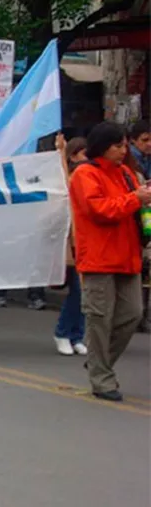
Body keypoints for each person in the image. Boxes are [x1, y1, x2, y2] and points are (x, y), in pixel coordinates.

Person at [68, 121, 149, 401]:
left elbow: (132, 205)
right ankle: (102, 377)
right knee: (99, 320)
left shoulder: (126, 173)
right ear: (103, 147)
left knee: (132, 314)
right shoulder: (84, 174)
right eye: (118, 145)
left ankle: (98, 361)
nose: (123, 149)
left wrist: (141, 199)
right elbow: (99, 210)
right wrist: (135, 199)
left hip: (127, 255)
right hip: (100, 258)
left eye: (124, 144)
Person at [53, 134, 88, 357]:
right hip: (74, 242)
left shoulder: (91, 176)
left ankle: (77, 335)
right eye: (84, 153)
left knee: (86, 292)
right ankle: (63, 332)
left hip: (90, 241)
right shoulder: (72, 177)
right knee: (78, 290)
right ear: (73, 156)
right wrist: (59, 151)